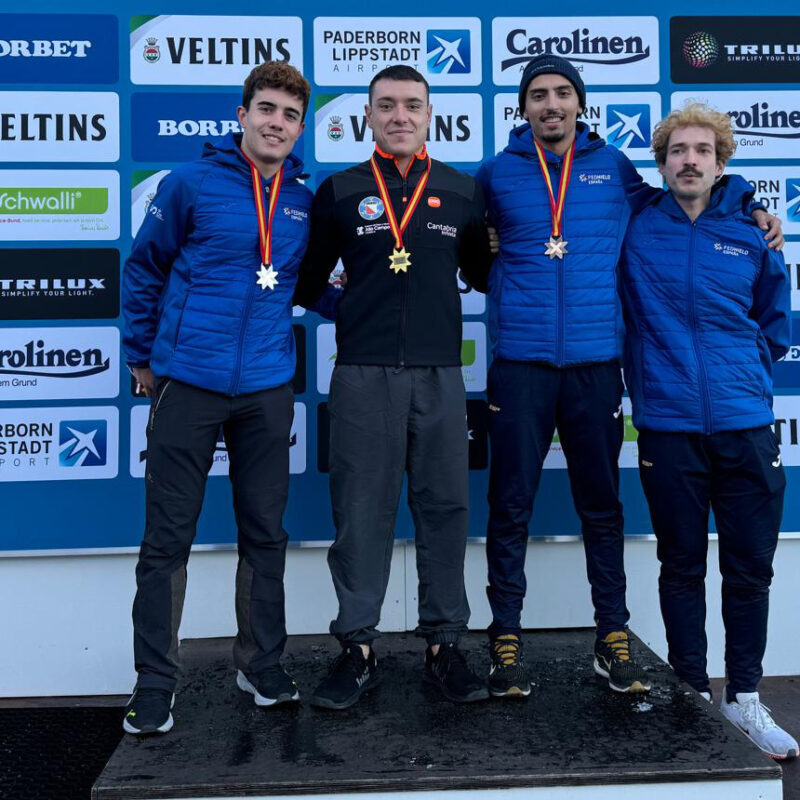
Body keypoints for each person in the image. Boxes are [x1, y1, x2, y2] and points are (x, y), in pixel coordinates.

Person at [475, 54, 783, 699]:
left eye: (562, 93)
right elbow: (470, 251)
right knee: (509, 507)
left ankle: (611, 633)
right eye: (538, 94)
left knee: (602, 508)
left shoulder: (613, 169)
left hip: (595, 366)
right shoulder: (496, 175)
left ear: (579, 104)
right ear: (522, 107)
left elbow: (686, 199)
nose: (551, 104)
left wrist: (748, 203)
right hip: (521, 367)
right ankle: (505, 634)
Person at [121, 61, 330, 734]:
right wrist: (140, 357)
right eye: (266, 109)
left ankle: (261, 662)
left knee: (265, 534)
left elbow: (305, 283)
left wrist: (374, 306)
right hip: (189, 381)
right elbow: (145, 266)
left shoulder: (303, 198)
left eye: (290, 115)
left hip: (267, 388)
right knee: (166, 542)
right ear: (242, 116)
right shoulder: (191, 183)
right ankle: (155, 682)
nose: (277, 123)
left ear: (300, 128)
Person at [294, 65, 493, 709]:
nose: (400, 115)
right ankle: (356, 647)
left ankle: (445, 645)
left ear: (430, 114)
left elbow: (484, 273)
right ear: (369, 118)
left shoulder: (462, 190)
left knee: (444, 509)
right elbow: (305, 280)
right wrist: (344, 309)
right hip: (361, 374)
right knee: (360, 513)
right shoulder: (341, 189)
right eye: (387, 106)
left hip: (440, 374)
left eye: (412, 105)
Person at [619, 103, 797, 760]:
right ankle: (690, 692)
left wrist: (744, 372)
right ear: (662, 164)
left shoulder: (753, 234)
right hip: (668, 426)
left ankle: (744, 697)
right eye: (676, 151)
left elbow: (776, 323)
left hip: (745, 424)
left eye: (701, 150)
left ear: (721, 162)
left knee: (749, 569)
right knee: (681, 565)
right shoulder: (637, 229)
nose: (688, 160)